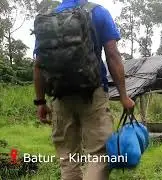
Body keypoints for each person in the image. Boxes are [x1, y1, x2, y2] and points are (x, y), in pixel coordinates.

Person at [33, 0, 135, 179]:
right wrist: (124, 96)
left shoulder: (49, 19)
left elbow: (38, 64)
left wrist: (40, 102)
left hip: (60, 96)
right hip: (93, 93)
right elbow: (112, 55)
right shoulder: (99, 12)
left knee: (68, 158)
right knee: (99, 155)